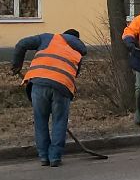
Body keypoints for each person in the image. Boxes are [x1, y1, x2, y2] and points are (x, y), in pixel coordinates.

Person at [11, 27, 86, 167]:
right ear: (77, 40)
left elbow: (21, 44)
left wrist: (17, 64)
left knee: (40, 120)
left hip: (38, 83)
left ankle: (44, 157)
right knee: (59, 122)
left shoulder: (48, 38)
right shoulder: (78, 51)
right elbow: (74, 74)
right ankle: (55, 157)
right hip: (62, 87)